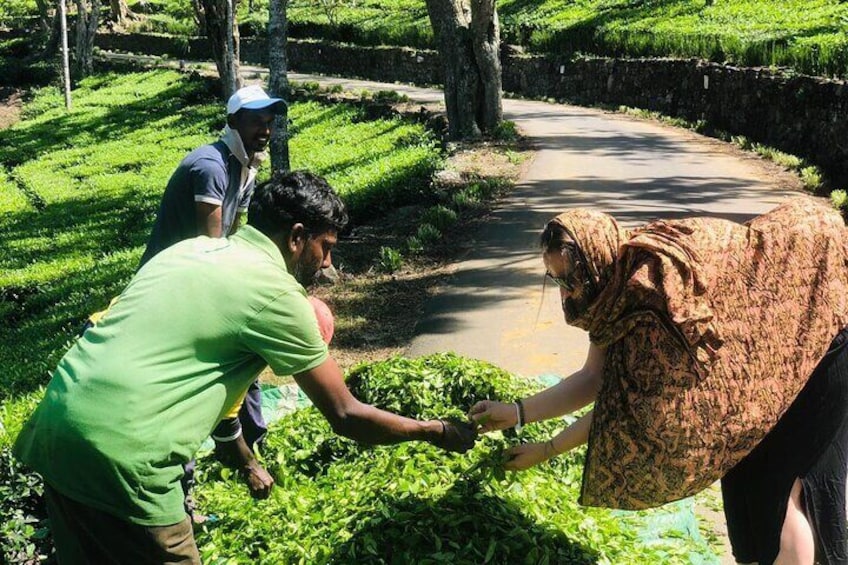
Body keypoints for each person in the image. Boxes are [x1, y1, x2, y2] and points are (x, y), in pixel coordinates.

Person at [14, 171, 477, 564]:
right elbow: (346, 415)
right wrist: (434, 431)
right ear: (297, 237)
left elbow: (211, 396)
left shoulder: (189, 250)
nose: (328, 263)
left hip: (56, 432)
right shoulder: (276, 294)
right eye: (326, 247)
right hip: (125, 458)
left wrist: (246, 462)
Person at [469, 197, 848, 565]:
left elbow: (624, 411)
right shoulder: (611, 290)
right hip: (766, 354)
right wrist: (517, 412)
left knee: (785, 496)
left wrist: (548, 448)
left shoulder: (651, 299)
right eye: (556, 280)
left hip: (819, 340)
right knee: (747, 491)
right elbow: (592, 377)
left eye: (571, 279)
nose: (567, 293)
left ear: (595, 263)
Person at [137, 83, 284, 507]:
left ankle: (250, 448)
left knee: (245, 365)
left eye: (270, 123)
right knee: (183, 383)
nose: (265, 130)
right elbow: (212, 244)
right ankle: (181, 491)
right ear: (233, 120)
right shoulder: (211, 166)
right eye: (257, 121)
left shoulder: (245, 169)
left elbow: (235, 239)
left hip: (199, 281)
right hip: (172, 289)